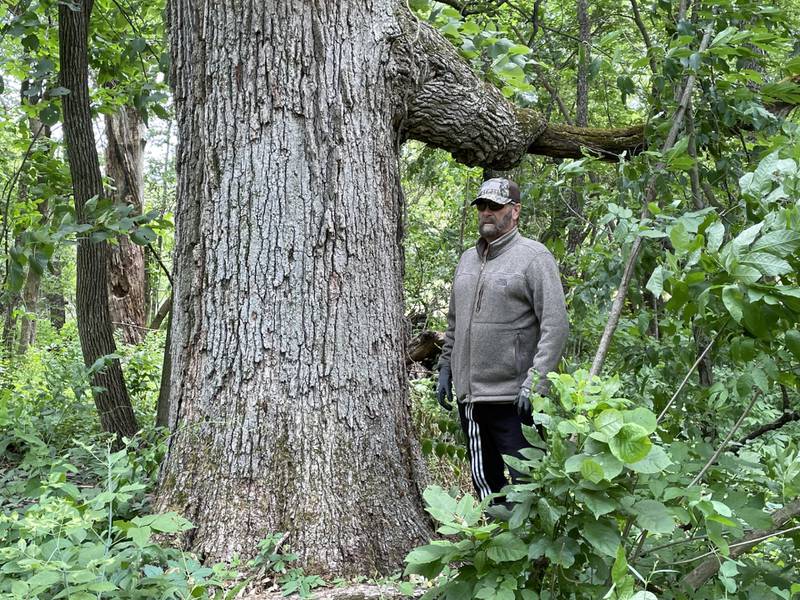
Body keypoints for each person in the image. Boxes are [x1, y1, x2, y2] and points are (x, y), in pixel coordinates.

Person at [437, 177, 568, 501]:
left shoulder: (534, 258)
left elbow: (556, 324)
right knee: (487, 486)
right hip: (472, 399)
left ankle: (531, 550)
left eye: (495, 206)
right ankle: (495, 544)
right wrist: (445, 367)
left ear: (515, 211)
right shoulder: (467, 260)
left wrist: (535, 382)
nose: (487, 213)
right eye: (482, 206)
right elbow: (455, 323)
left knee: (529, 486)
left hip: (514, 399)